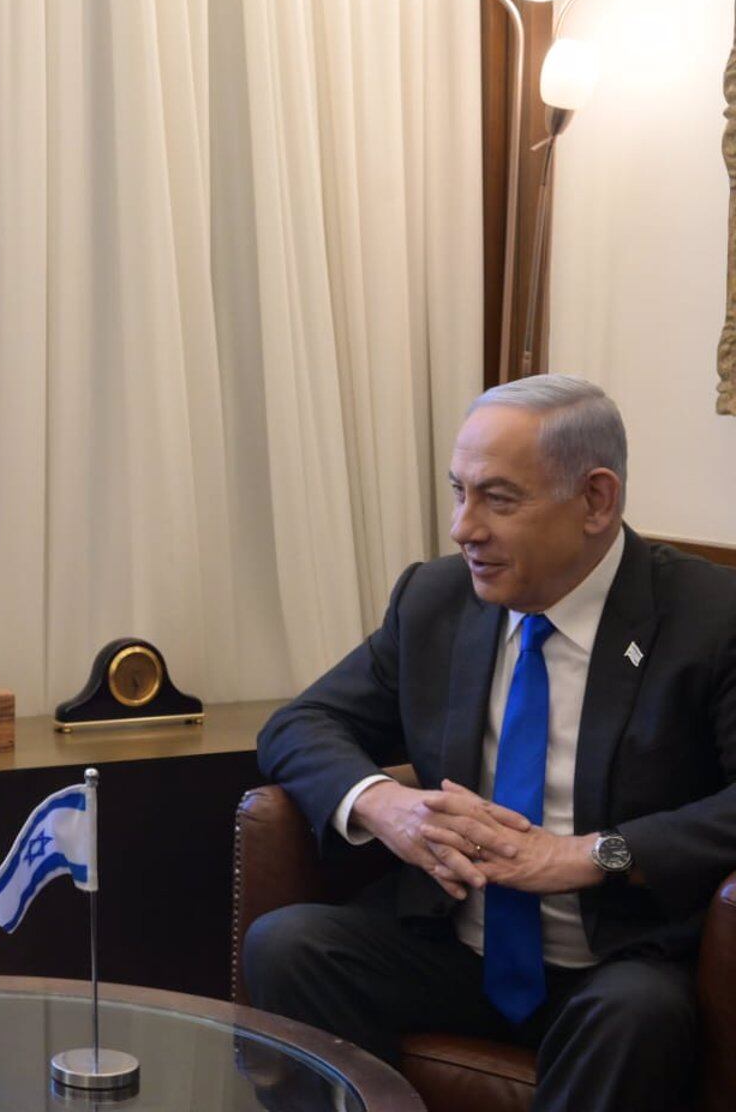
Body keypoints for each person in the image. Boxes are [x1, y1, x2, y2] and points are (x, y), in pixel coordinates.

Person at [245, 374, 736, 1112]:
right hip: (455, 945)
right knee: (289, 944)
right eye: (458, 491)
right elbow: (299, 724)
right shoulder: (435, 600)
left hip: (616, 960)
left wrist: (591, 854)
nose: (462, 527)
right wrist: (385, 805)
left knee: (637, 1016)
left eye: (498, 499)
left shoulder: (708, 616)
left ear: (596, 501)